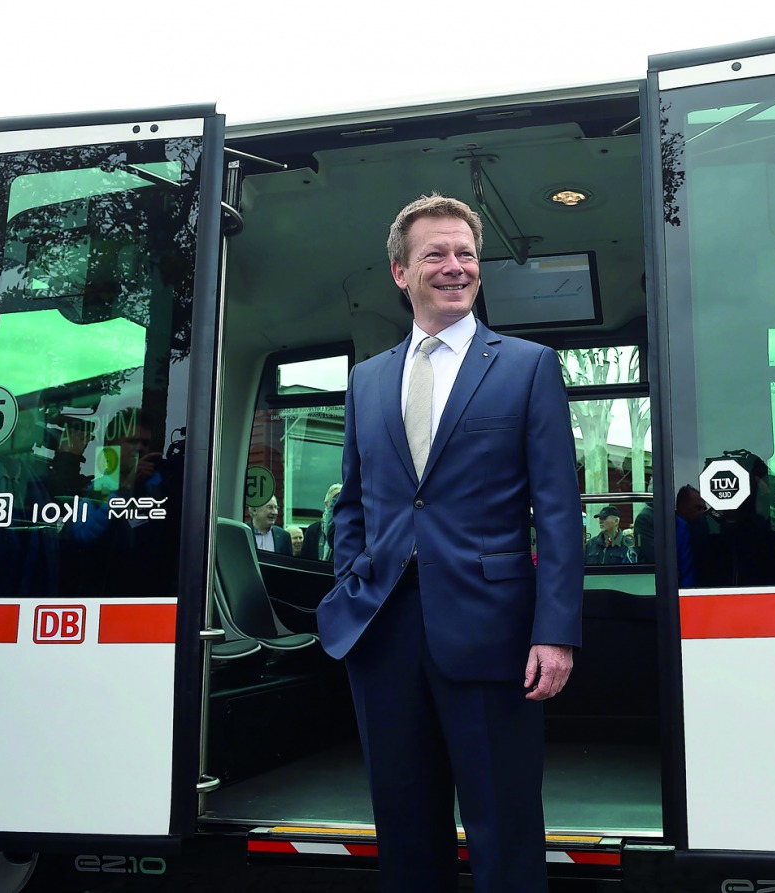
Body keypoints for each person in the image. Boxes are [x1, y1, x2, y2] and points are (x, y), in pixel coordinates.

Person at [316, 193, 583, 893]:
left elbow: (558, 510)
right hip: (383, 636)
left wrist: (555, 632)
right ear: (401, 272)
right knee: (405, 835)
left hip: (494, 634)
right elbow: (355, 501)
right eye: (436, 253)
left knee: (506, 831)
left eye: (466, 253)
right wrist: (352, 583)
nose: (456, 266)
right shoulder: (366, 379)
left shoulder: (528, 367)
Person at [300, 483, 341, 561]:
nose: (338, 503)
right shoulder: (312, 530)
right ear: (326, 504)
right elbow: (304, 559)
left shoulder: (347, 530)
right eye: (334, 500)